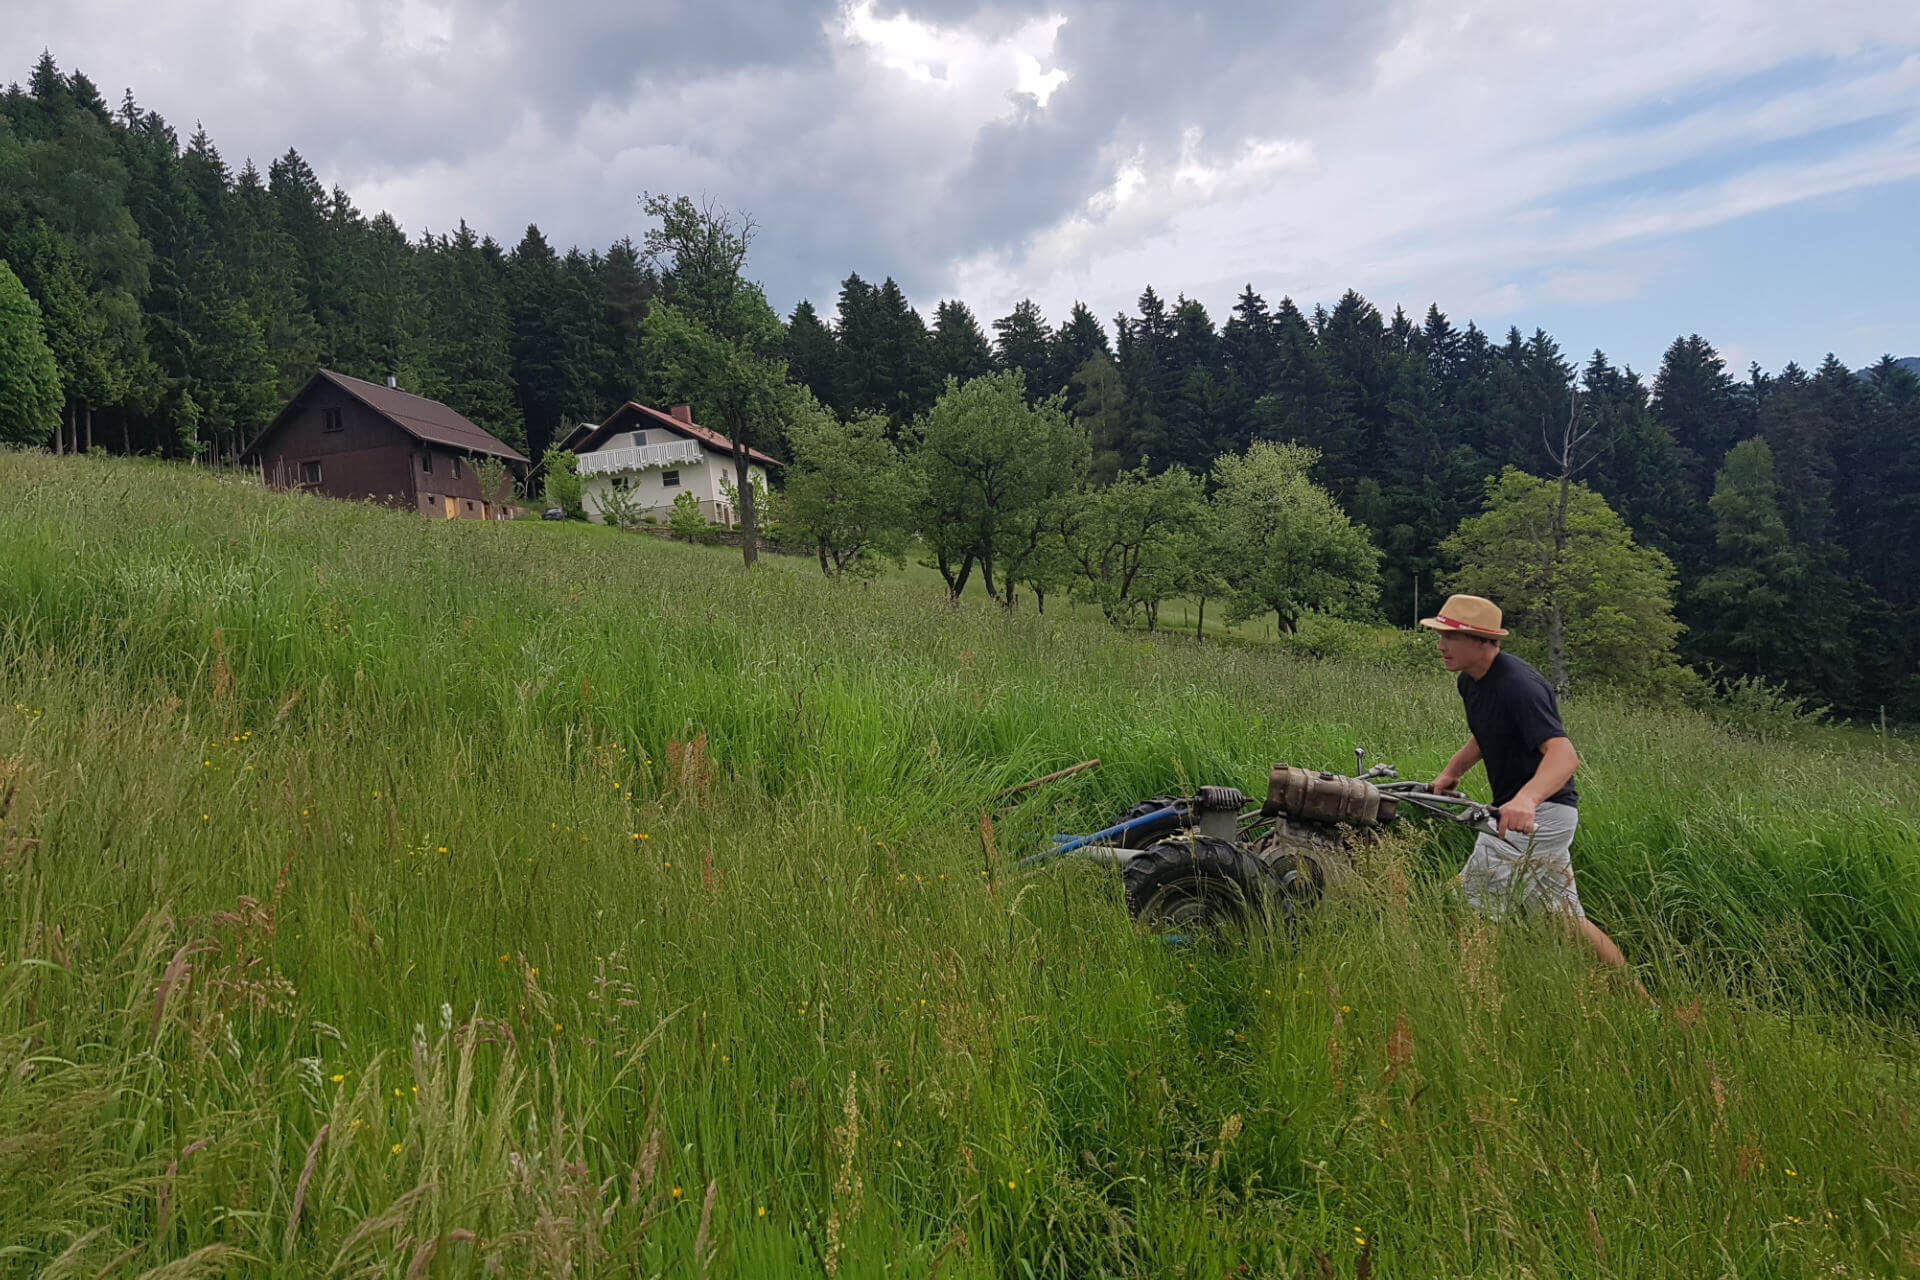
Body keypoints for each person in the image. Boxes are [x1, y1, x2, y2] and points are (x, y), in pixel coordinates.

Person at [1420, 593, 1634, 975]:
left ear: (1481, 640)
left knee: (1464, 906)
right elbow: (1487, 733)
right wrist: (1453, 770)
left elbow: (1564, 756)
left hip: (1538, 817)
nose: (1440, 646)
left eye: (1450, 637)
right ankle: (1644, 1005)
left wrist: (1526, 799)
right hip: (1534, 816)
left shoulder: (1519, 685)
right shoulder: (1471, 682)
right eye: (1439, 635)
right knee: (1565, 919)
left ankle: (1471, 995)